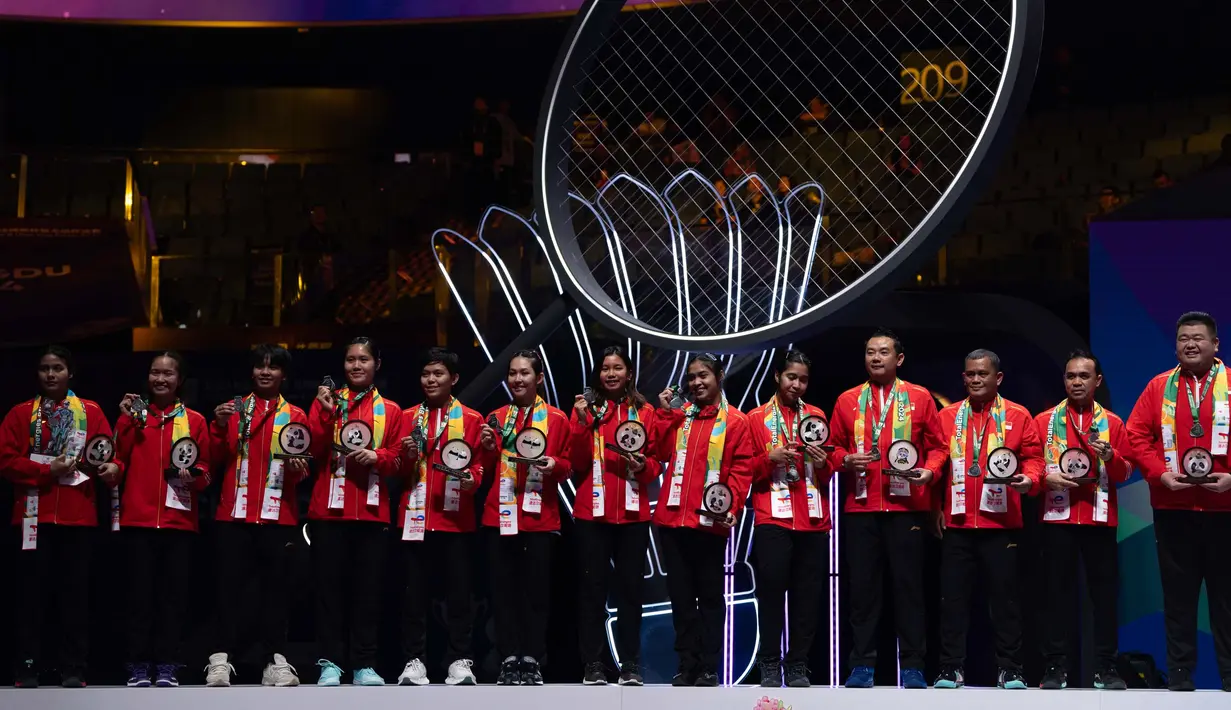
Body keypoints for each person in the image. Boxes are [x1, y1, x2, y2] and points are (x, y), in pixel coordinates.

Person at [828, 328, 946, 689]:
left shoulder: (920, 397)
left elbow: (939, 447)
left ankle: (912, 666)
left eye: (883, 352)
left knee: (909, 589)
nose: (875, 358)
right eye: (869, 352)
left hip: (907, 507)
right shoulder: (847, 400)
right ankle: (862, 665)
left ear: (900, 359)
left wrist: (930, 470)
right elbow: (831, 449)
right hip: (861, 508)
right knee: (863, 591)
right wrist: (845, 459)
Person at [0, 346, 118, 688]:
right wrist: (45, 469)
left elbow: (108, 453)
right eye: (44, 368)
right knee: (29, 596)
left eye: (58, 368)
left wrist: (113, 468)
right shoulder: (21, 413)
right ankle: (27, 666)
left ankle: (74, 668)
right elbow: (6, 460)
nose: (51, 374)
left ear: (71, 373)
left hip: (77, 514)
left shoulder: (91, 411)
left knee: (75, 596)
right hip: (31, 515)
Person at [1127, 311, 1231, 692]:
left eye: (1199, 337)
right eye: (1184, 337)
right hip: (1173, 508)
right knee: (1178, 597)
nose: (1190, 343)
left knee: (1227, 598)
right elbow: (1137, 435)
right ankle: (1181, 674)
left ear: (1215, 344)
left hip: (1226, 509)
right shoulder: (1159, 387)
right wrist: (1159, 474)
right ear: (1175, 345)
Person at [933, 349, 1043, 690]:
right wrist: (935, 507)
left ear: (998, 378)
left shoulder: (1018, 415)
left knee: (1006, 601)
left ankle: (1011, 669)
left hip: (1002, 523)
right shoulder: (948, 416)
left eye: (982, 373)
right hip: (958, 522)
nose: (976, 379)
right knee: (952, 600)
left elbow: (1034, 459)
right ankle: (950, 668)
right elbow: (938, 462)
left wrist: (1030, 480)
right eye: (970, 374)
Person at [203, 344, 309, 688]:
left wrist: (296, 468)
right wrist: (218, 427)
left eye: (273, 367)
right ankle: (221, 658)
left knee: (277, 592)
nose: (266, 372)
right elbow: (215, 459)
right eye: (260, 366)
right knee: (227, 590)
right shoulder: (231, 412)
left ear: (283, 375)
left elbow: (303, 469)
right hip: (233, 514)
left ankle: (274, 660)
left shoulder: (296, 415)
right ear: (251, 372)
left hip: (279, 517)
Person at [306, 337, 406, 687]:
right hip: (328, 513)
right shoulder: (326, 402)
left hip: (372, 512)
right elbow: (312, 449)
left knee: (368, 593)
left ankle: (364, 664)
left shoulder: (391, 411)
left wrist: (377, 457)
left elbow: (398, 460)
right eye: (350, 360)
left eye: (364, 359)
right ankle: (330, 663)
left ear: (377, 363)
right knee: (328, 592)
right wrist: (322, 412)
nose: (356, 366)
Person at [652, 353, 756, 687]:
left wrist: (732, 508)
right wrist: (665, 414)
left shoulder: (736, 422)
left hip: (709, 523)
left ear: (719, 376)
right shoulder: (680, 416)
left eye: (704, 376)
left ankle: (710, 666)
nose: (697, 383)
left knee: (710, 598)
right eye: (692, 377)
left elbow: (742, 470)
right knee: (680, 599)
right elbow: (658, 451)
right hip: (671, 521)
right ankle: (687, 664)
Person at [114, 351, 212, 688]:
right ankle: (138, 665)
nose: (161, 379)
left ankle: (167, 664)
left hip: (178, 522)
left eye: (168, 374)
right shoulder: (133, 416)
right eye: (155, 372)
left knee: (173, 599)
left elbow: (205, 473)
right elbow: (118, 459)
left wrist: (193, 477)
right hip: (138, 520)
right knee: (139, 597)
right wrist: (126, 421)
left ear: (179, 379)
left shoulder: (195, 421)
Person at [1035, 350, 1131, 690]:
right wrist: (1044, 478)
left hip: (1099, 518)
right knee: (1055, 595)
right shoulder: (1045, 421)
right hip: (1058, 518)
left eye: (1084, 376)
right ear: (1064, 380)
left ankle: (1105, 668)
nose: (1077, 381)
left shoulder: (1114, 424)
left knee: (1103, 597)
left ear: (1097, 381)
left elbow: (1124, 472)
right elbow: (1032, 465)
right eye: (1071, 376)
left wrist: (1111, 455)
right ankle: (1055, 668)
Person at [478, 350, 572, 686]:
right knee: (501, 593)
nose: (517, 379)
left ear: (539, 378)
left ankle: (532, 658)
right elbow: (485, 469)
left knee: (535, 594)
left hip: (540, 518)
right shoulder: (495, 417)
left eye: (525, 373)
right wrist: (488, 448)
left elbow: (567, 465)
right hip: (498, 515)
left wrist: (553, 466)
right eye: (513, 373)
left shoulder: (558, 419)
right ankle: (507, 658)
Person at [567, 346, 659, 686]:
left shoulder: (645, 411)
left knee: (631, 592)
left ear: (629, 373)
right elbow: (575, 461)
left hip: (633, 515)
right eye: (605, 368)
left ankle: (631, 664)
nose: (610, 374)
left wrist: (644, 466)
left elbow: (656, 461)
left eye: (617, 367)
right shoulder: (588, 411)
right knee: (592, 590)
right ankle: (593, 663)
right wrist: (579, 422)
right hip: (592, 513)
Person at [396, 347, 484, 687]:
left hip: (456, 520)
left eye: (438, 374)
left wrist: (472, 479)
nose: (431, 380)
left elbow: (479, 467)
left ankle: (460, 660)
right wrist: (403, 457)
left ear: (454, 378)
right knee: (413, 595)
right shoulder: (405, 417)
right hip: (415, 517)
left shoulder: (472, 420)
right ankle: (413, 661)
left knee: (460, 596)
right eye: (426, 374)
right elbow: (394, 467)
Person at [746, 350, 833, 688]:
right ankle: (769, 662)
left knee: (807, 596)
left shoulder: (817, 416)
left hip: (812, 519)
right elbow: (743, 470)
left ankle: (797, 664)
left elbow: (829, 470)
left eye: (803, 379)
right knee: (770, 593)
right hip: (773, 519)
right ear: (777, 377)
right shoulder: (755, 418)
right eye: (791, 377)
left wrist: (824, 461)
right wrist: (769, 458)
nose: (797, 385)